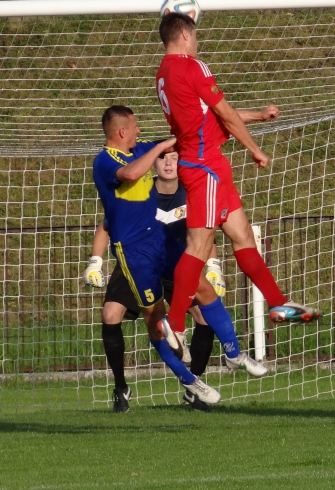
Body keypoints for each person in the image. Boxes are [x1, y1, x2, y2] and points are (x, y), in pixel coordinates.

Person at [155, 13, 321, 340]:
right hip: (205, 168)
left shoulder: (164, 74)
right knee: (199, 247)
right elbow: (225, 114)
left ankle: (277, 303)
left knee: (243, 235)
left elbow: (211, 116)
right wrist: (255, 149)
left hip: (206, 162)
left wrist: (258, 115)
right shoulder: (193, 66)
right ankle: (173, 324)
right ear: (186, 34)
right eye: (196, 35)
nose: (198, 41)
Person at [90, 105, 267, 409]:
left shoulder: (142, 149)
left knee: (203, 288)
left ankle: (234, 352)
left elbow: (202, 127)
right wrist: (159, 148)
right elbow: (131, 173)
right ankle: (189, 380)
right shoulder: (105, 161)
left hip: (160, 239)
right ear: (121, 132)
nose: (140, 131)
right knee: (154, 318)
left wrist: (258, 116)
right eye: (135, 127)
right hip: (134, 252)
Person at [85, 150, 237, 413]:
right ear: (153, 163)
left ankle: (195, 388)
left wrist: (214, 266)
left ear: (182, 162)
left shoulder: (193, 194)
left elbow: (204, 234)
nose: (168, 163)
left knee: (204, 316)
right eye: (163, 157)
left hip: (176, 262)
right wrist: (95, 260)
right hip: (137, 262)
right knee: (110, 314)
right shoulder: (140, 190)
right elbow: (107, 225)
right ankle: (121, 387)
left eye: (175, 157)